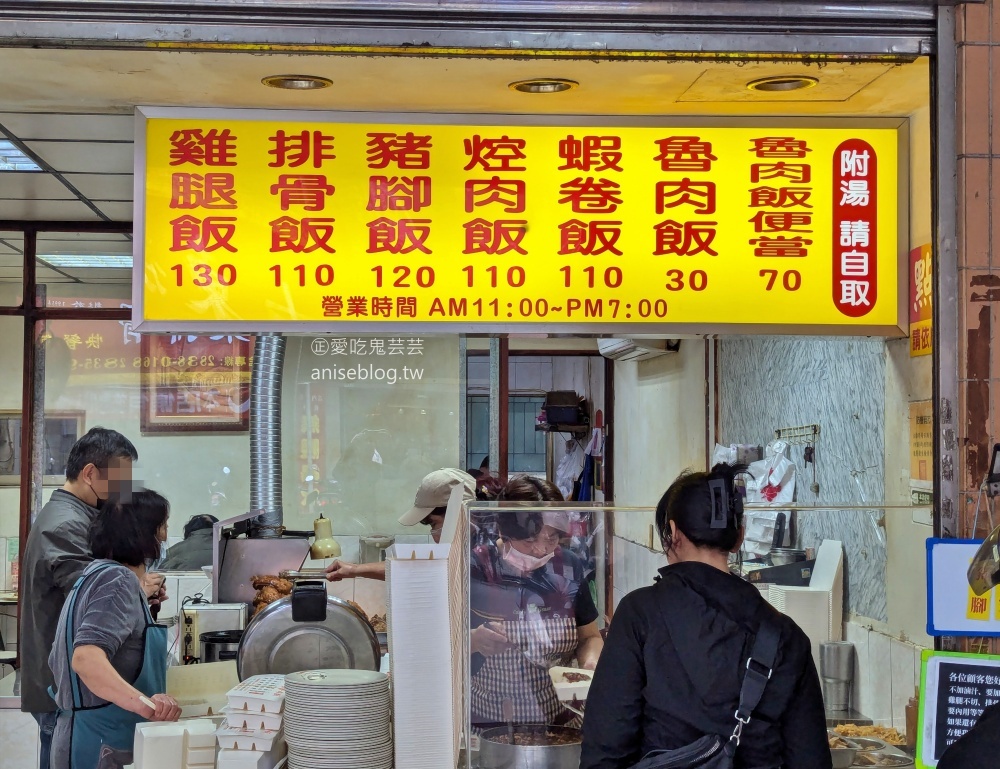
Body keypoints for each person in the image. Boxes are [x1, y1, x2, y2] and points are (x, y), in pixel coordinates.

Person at [580, 463, 831, 769]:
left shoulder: (639, 614)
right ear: (739, 537)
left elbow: (605, 750)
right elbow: (810, 760)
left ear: (672, 533)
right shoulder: (787, 636)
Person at [19, 427, 157, 769]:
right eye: (118, 481)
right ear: (90, 473)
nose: (122, 493)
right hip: (65, 689)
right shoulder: (66, 524)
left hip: (73, 687)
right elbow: (94, 601)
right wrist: (138, 588)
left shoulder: (79, 515)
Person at [49, 489, 181, 769]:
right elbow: (85, 659)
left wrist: (142, 604)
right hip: (100, 744)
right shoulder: (118, 580)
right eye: (163, 526)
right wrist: (148, 705)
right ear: (144, 533)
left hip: (94, 737)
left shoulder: (97, 573)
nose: (166, 538)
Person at [469, 476, 603, 729]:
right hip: (491, 725)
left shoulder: (568, 566)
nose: (542, 550)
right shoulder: (477, 567)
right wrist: (475, 639)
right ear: (502, 531)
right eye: (530, 541)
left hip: (560, 722)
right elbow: (445, 643)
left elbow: (590, 636)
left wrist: (590, 663)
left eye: (551, 538)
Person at [325, 468, 476, 582]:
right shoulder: (461, 548)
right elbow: (414, 567)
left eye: (435, 523)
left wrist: (356, 570)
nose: (435, 537)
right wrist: (355, 569)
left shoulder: (487, 550)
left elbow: (423, 570)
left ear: (459, 514)